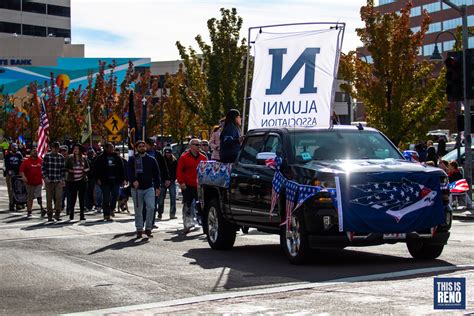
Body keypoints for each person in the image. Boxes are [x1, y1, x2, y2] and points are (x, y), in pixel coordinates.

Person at [127, 140, 161, 238]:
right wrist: (133, 180)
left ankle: (148, 228)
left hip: (149, 187)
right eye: (140, 146)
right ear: (137, 148)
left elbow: (157, 174)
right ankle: (139, 228)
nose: (142, 147)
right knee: (138, 209)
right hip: (137, 189)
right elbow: (129, 172)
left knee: (151, 207)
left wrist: (157, 187)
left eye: (143, 146)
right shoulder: (132, 159)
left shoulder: (151, 159)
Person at [177, 138, 207, 233]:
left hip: (199, 186)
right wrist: (181, 182)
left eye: (200, 145)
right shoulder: (184, 157)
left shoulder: (203, 158)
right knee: (187, 205)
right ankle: (187, 224)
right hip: (188, 185)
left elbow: (206, 171)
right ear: (191, 146)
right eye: (196, 145)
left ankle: (204, 225)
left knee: (201, 207)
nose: (199, 147)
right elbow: (179, 171)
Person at [94, 143, 125, 221]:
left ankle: (112, 208)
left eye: (113, 147)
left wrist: (123, 179)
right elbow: (96, 169)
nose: (112, 149)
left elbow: (122, 169)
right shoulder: (100, 158)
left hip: (115, 181)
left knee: (115, 195)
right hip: (105, 181)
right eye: (110, 147)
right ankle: (106, 214)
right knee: (106, 198)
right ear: (106, 148)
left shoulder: (117, 157)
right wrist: (97, 178)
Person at [145, 138, 169, 223]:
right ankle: (145, 220)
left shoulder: (158, 155)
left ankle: (151, 222)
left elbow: (163, 167)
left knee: (154, 203)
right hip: (145, 181)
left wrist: (167, 178)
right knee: (145, 204)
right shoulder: (143, 154)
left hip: (155, 181)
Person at [42, 142, 66, 222]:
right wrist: (45, 177)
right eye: (54, 148)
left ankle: (57, 214)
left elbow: (63, 170)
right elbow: (43, 168)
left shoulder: (61, 157)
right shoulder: (47, 156)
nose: (56, 149)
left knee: (59, 198)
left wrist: (63, 179)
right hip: (49, 181)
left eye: (57, 148)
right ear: (51, 148)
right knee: (49, 199)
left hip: (58, 180)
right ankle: (49, 215)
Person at [65, 144, 90, 221]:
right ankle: (71, 213)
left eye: (77, 149)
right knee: (73, 198)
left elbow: (88, 167)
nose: (76, 150)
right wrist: (70, 170)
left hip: (82, 180)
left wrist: (86, 170)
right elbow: (65, 167)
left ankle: (82, 214)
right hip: (72, 181)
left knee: (82, 198)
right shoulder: (70, 157)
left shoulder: (84, 158)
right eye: (75, 148)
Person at [19, 147, 44, 217]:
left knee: (39, 195)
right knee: (30, 198)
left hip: (38, 182)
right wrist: (24, 177)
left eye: (36, 151)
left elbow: (44, 169)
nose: (35, 152)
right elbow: (21, 170)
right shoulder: (26, 161)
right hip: (29, 183)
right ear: (31, 153)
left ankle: (42, 209)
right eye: (33, 151)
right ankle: (29, 211)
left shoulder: (40, 160)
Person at [158, 147, 178, 219]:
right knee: (161, 199)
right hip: (163, 181)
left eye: (169, 153)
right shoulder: (161, 160)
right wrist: (164, 180)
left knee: (173, 198)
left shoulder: (174, 161)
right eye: (166, 153)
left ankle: (172, 214)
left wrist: (171, 179)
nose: (168, 154)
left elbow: (176, 172)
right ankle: (160, 212)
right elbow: (160, 171)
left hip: (172, 181)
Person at [4, 143, 23, 211]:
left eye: (16, 147)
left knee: (18, 189)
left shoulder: (19, 155)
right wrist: (9, 172)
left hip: (17, 175)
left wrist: (21, 173)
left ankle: (18, 203)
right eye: (13, 148)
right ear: (11, 148)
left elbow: (21, 164)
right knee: (11, 190)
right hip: (9, 175)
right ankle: (11, 204)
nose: (15, 149)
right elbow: (6, 165)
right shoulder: (7, 155)